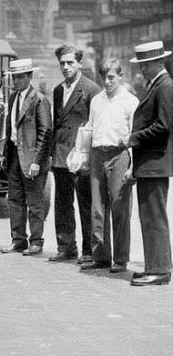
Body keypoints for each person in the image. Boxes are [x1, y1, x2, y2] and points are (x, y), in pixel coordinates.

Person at [80, 59, 138, 273]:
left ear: (120, 76)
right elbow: (90, 128)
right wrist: (82, 155)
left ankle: (121, 258)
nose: (107, 81)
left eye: (111, 77)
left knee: (119, 207)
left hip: (119, 155)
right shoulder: (96, 100)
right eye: (103, 77)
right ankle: (101, 256)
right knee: (97, 208)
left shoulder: (130, 101)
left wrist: (133, 165)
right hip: (97, 154)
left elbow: (134, 135)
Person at [124, 41, 172, 286]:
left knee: (154, 218)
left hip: (155, 163)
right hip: (150, 164)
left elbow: (163, 126)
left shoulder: (164, 87)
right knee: (150, 218)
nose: (141, 69)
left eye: (144, 64)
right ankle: (155, 266)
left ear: (157, 62)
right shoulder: (156, 85)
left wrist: (133, 138)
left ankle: (161, 270)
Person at [49, 44, 102, 263]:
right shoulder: (58, 90)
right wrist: (53, 154)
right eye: (62, 63)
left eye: (70, 62)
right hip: (62, 156)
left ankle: (89, 251)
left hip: (81, 157)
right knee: (62, 204)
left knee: (85, 204)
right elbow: (57, 125)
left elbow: (94, 126)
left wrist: (88, 157)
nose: (66, 67)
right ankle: (66, 247)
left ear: (80, 63)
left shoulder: (92, 90)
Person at [0, 59, 52, 256]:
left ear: (29, 77)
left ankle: (36, 241)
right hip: (15, 156)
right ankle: (18, 239)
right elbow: (10, 128)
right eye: (14, 77)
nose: (16, 80)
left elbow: (45, 133)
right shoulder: (14, 98)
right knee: (15, 200)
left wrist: (37, 162)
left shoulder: (39, 100)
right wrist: (5, 155)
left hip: (31, 160)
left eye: (20, 77)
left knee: (35, 203)